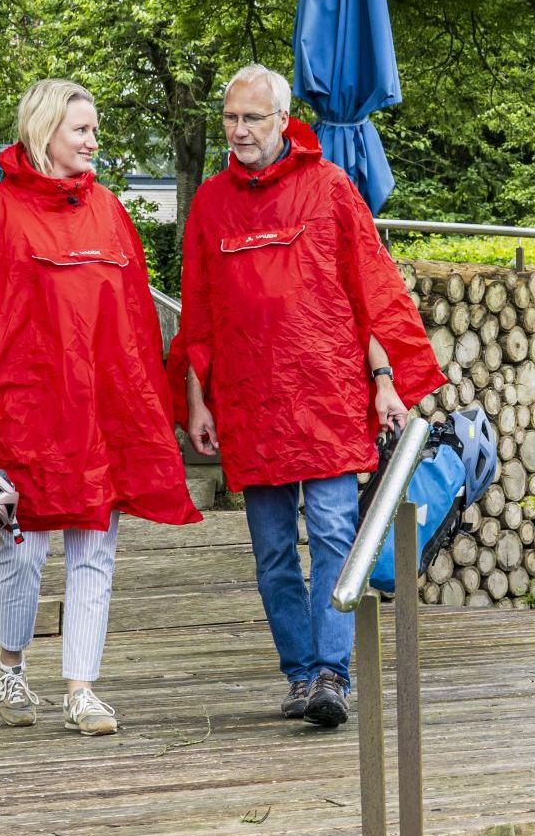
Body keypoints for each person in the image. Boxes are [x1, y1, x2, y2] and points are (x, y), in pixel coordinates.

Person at [0, 78, 199, 736]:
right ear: (44, 131)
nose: (93, 140)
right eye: (81, 129)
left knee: (94, 551)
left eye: (93, 128)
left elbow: (135, 318)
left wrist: (146, 403)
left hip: (97, 413)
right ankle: (11, 669)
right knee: (22, 552)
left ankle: (82, 689)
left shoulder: (109, 211)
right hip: (20, 411)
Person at [169, 64, 445, 728]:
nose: (238, 131)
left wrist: (384, 380)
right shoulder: (210, 202)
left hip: (323, 397)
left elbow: (371, 293)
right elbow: (198, 312)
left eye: (251, 119)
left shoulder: (328, 188)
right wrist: (196, 400)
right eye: (230, 118)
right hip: (247, 404)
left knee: (329, 535)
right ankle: (298, 673)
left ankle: (330, 672)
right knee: (270, 551)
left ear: (282, 121)